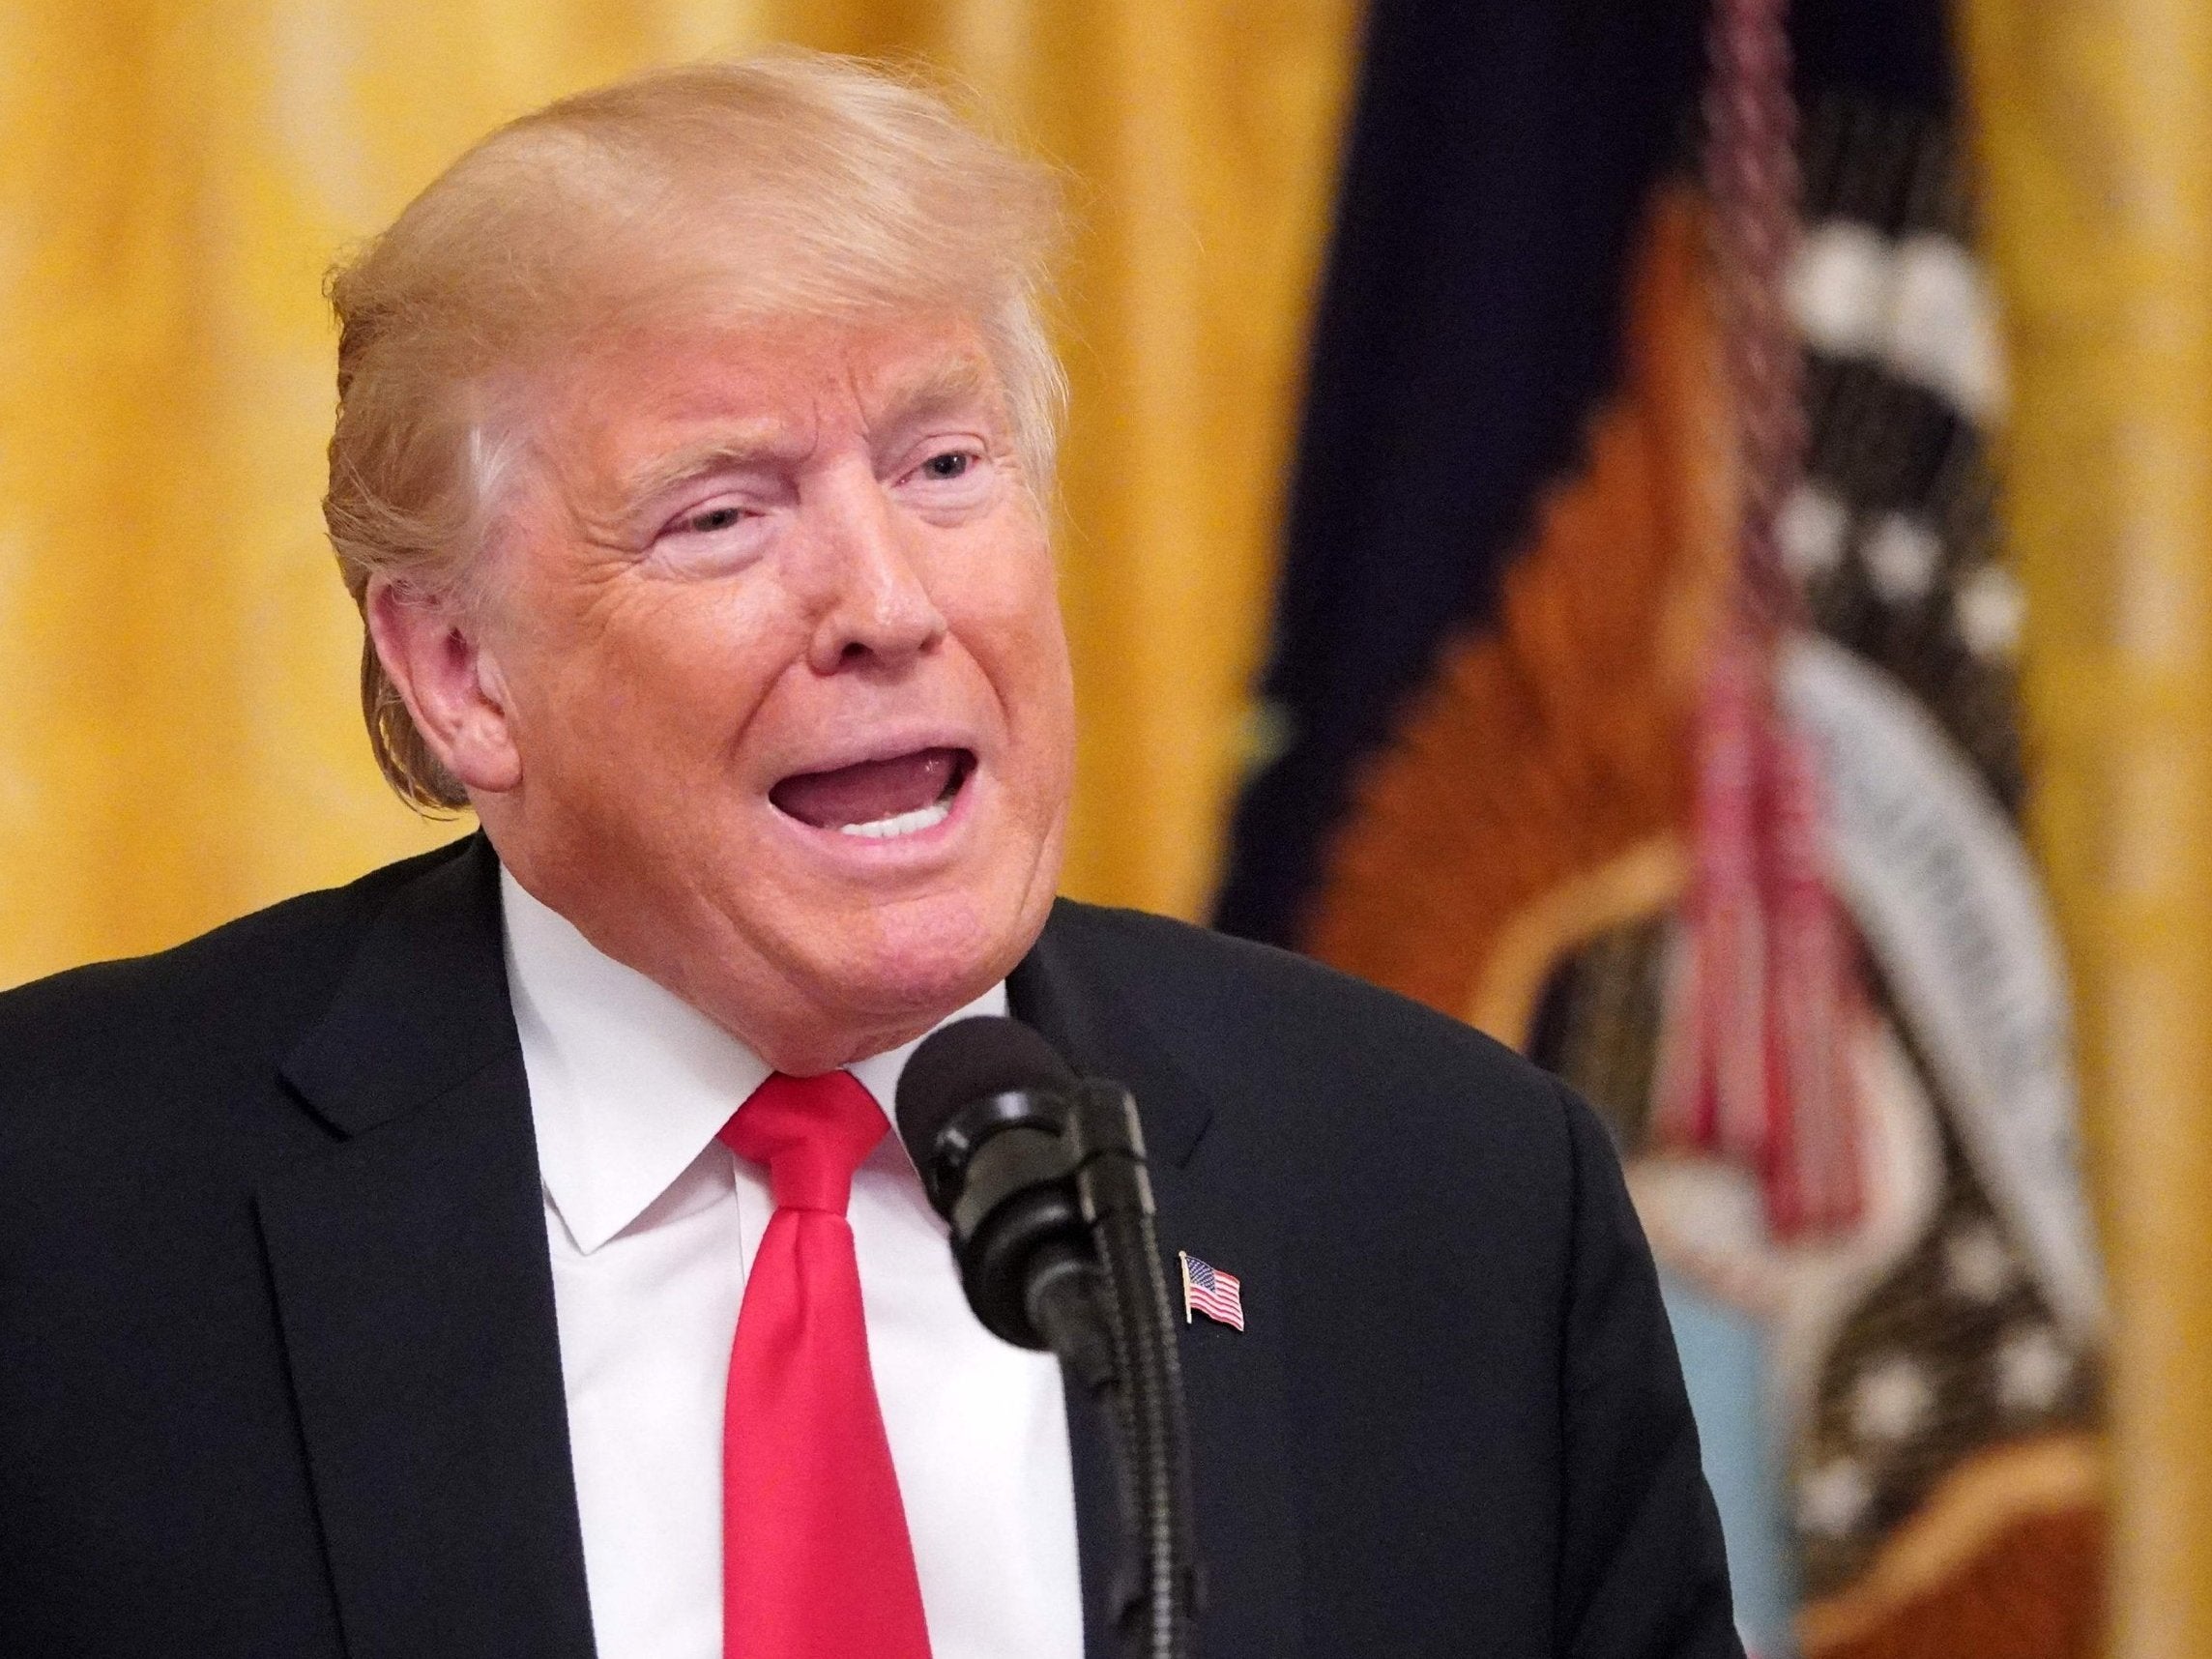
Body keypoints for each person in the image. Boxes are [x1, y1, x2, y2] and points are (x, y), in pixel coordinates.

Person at [0, 52, 1739, 1659]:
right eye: (723, 514)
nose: (890, 604)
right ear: (460, 671)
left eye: (947, 463)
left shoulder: (1451, 1198)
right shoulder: (66, 1214)